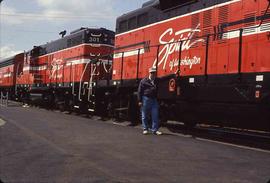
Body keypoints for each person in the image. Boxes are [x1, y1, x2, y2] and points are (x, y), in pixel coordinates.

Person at [138, 67, 162, 135]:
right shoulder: (144, 81)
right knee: (144, 115)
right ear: (149, 73)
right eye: (152, 73)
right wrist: (140, 101)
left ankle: (155, 130)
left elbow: (164, 78)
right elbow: (139, 91)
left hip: (154, 100)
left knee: (155, 115)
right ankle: (145, 129)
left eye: (154, 73)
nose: (153, 74)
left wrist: (174, 74)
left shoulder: (156, 80)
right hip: (146, 99)